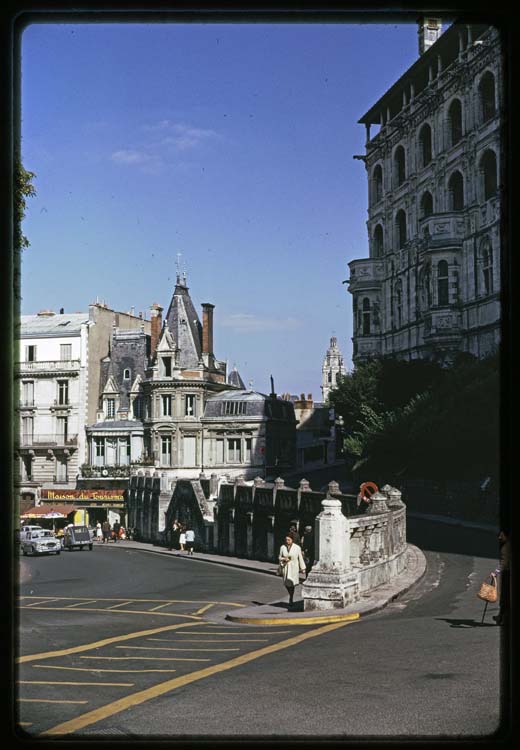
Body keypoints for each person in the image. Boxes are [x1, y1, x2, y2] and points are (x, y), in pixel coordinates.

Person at [279, 534, 306, 610]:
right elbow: (279, 557)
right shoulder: (282, 547)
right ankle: (290, 595)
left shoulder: (297, 548)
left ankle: (291, 598)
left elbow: (300, 558)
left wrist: (303, 568)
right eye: (286, 540)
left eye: (289, 540)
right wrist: (284, 559)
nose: (287, 541)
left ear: (292, 540)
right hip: (286, 567)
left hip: (293, 568)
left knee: (292, 583)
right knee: (286, 584)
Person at [493, 530, 510, 625]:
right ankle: (501, 616)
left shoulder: (505, 547)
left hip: (508, 575)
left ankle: (502, 617)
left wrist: (496, 572)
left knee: (505, 597)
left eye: (501, 535)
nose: (499, 537)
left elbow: (504, 562)